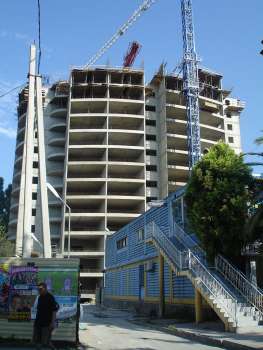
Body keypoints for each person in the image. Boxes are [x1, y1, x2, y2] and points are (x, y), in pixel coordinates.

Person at [33, 282, 59, 349]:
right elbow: (38, 310)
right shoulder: (39, 297)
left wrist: (52, 323)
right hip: (38, 322)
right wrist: (35, 322)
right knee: (37, 340)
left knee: (46, 341)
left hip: (46, 323)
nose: (39, 290)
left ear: (45, 288)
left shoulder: (50, 297)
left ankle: (54, 348)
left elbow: (54, 310)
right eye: (38, 289)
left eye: (41, 289)